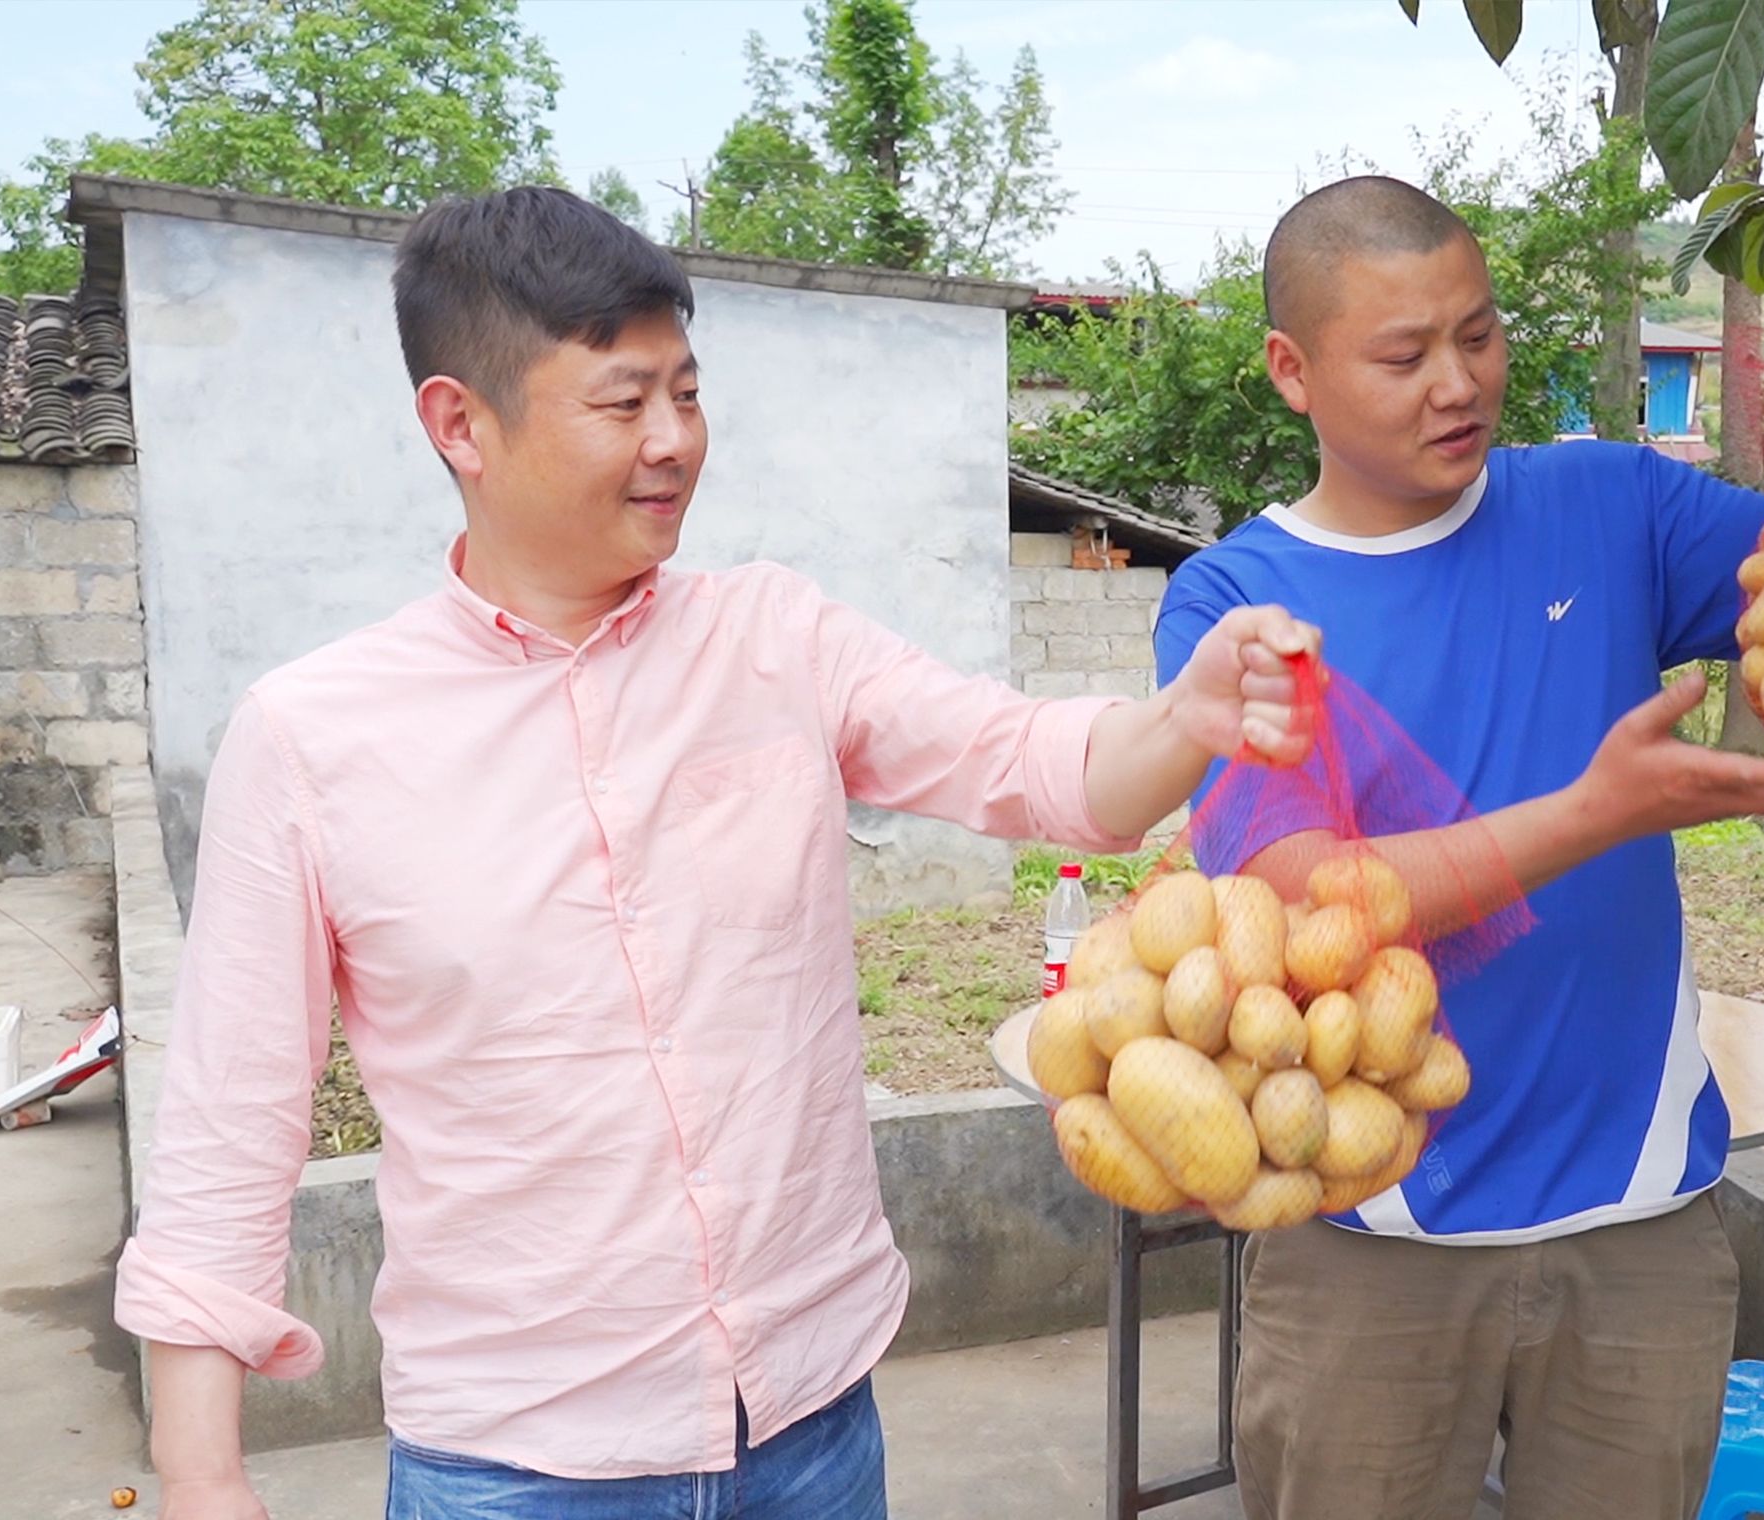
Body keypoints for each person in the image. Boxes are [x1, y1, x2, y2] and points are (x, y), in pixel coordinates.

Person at [117, 185, 1319, 1520]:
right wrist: (200, 1472)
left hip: (809, 1426)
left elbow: (1026, 762)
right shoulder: (313, 738)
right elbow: (229, 1126)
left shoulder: (773, 641)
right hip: (517, 1465)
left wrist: (1185, 717)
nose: (673, 440)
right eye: (623, 403)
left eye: (687, 394)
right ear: (461, 422)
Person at [1151, 175, 1764, 1520]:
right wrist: (1603, 811)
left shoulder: (1610, 504)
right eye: (1403, 356)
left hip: (1638, 1229)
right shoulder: (1239, 604)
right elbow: (1298, 901)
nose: (1458, 382)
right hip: (1374, 1239)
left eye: (1479, 334)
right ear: (1293, 371)